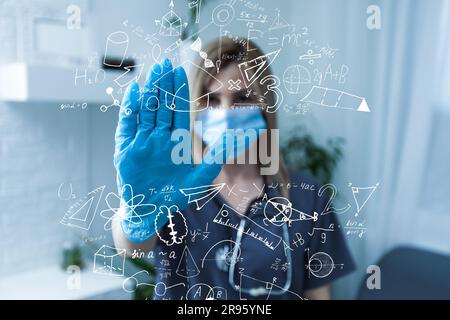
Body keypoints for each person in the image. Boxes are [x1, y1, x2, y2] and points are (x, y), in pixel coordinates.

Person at [112, 38, 355, 300]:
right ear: (194, 106)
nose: (225, 113)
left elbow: (317, 296)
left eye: (242, 98)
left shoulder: (308, 196)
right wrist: (138, 212)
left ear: (265, 107)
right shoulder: (174, 183)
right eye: (212, 99)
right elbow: (132, 249)